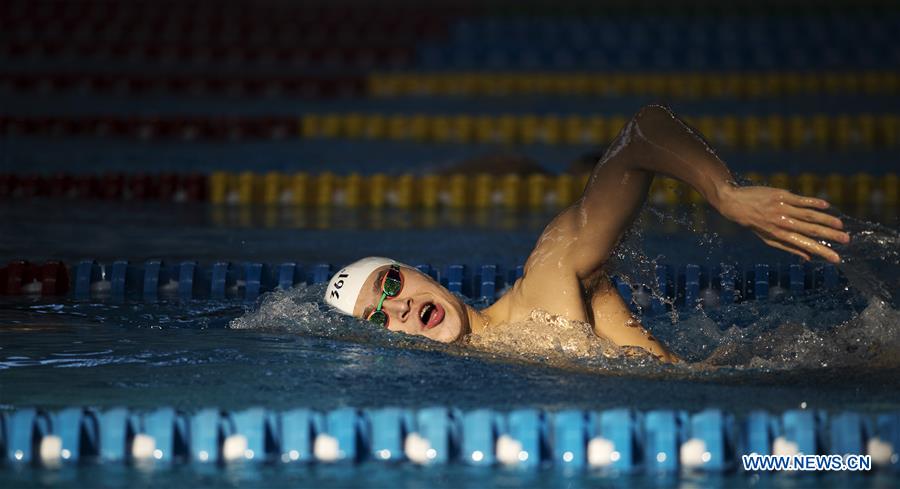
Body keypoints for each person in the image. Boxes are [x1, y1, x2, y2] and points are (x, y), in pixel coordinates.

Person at [323, 105, 850, 363]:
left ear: (416, 271)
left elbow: (642, 132)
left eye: (392, 285)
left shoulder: (547, 281)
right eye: (379, 318)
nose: (401, 309)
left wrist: (724, 192)